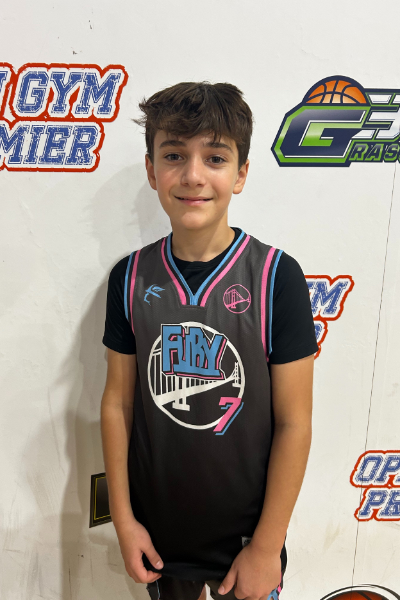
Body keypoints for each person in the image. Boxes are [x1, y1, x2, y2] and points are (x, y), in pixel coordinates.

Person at [101, 82, 318, 600]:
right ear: (152, 169)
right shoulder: (129, 278)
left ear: (240, 173)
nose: (193, 175)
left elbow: (295, 422)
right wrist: (124, 520)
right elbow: (117, 404)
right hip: (159, 537)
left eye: (215, 157)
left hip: (246, 542)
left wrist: (266, 546)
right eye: (174, 155)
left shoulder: (276, 277)